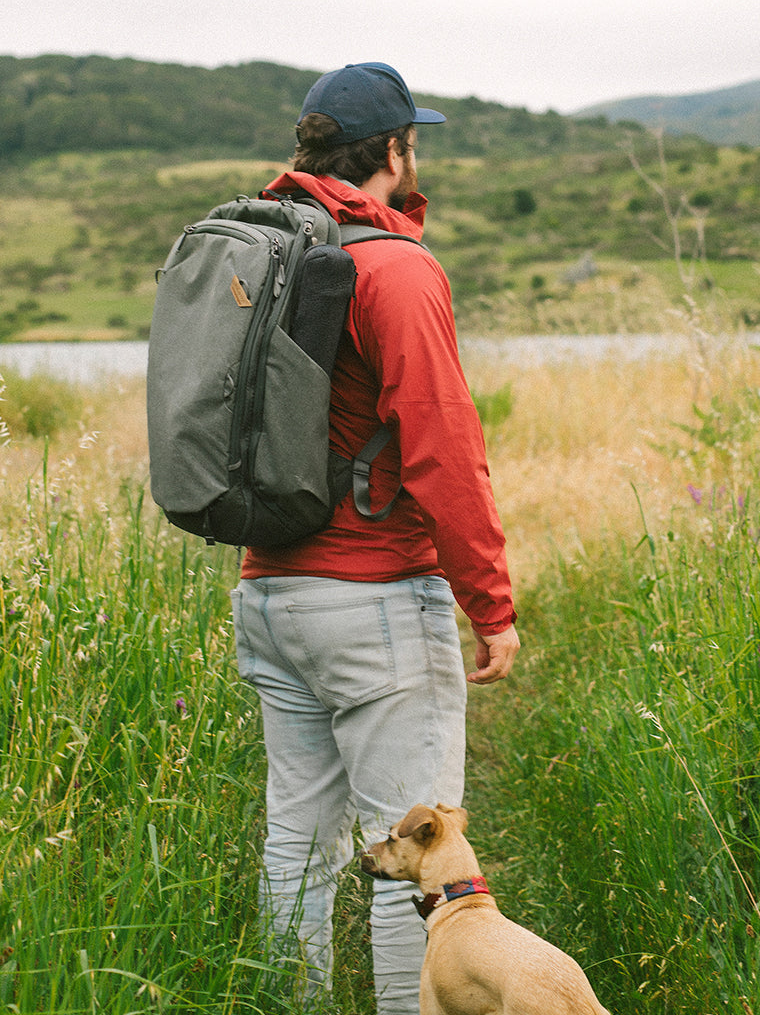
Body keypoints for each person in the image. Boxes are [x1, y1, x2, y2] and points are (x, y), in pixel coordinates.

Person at [230, 61, 520, 1014]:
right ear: (394, 151)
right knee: (422, 854)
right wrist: (491, 605)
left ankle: (289, 1002)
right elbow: (441, 448)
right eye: (413, 141)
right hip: (374, 603)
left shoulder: (263, 247)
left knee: (296, 841)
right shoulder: (394, 269)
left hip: (269, 594)